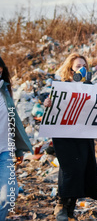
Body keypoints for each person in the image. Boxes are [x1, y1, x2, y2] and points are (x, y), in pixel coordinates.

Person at [44, 53, 97, 221]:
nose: (82, 69)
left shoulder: (90, 87)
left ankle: (70, 209)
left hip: (83, 135)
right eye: (78, 66)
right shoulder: (62, 88)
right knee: (70, 169)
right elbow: (51, 108)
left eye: (84, 66)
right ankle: (61, 205)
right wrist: (47, 104)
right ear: (70, 71)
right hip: (64, 136)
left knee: (82, 168)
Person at [0, 56, 33, 220]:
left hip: (4, 152)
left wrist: (18, 148)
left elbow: (12, 122)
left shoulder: (5, 92)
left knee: (8, 196)